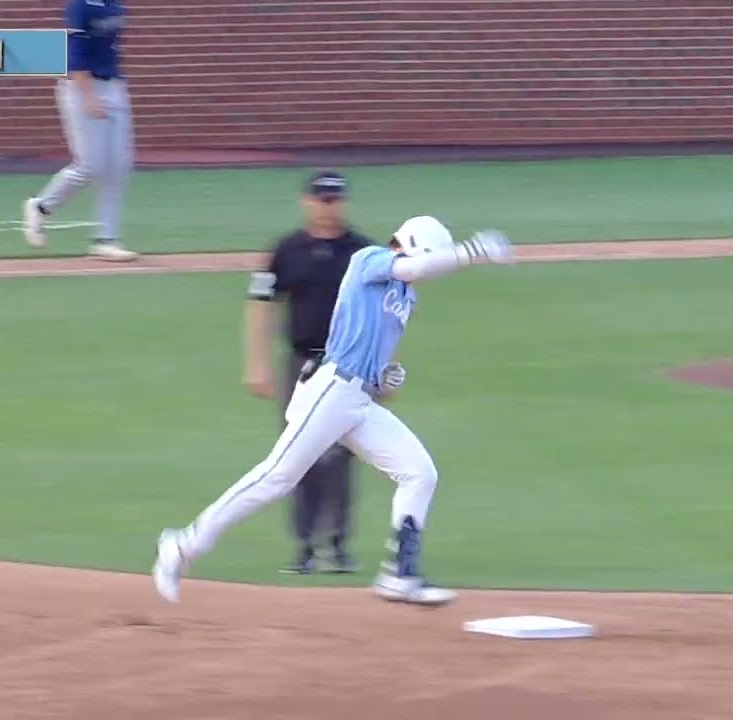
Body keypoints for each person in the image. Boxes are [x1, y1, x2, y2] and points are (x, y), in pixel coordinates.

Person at [153, 216, 512, 607]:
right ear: (410, 246)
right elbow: (416, 266)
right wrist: (471, 252)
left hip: (359, 401)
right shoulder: (369, 259)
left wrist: (385, 377)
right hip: (330, 391)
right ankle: (182, 544)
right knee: (277, 478)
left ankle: (399, 574)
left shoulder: (407, 295)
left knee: (419, 472)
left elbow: (374, 349)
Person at [244, 170, 372, 575]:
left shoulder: (363, 253)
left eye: (334, 200)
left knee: (343, 455)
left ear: (344, 203)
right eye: (321, 199)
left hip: (350, 366)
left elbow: (385, 313)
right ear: (307, 201)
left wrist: (381, 367)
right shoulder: (284, 251)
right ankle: (304, 548)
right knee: (297, 456)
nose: (327, 206)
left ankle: (338, 545)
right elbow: (261, 304)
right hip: (300, 366)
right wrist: (257, 363)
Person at [22, 0, 137, 262]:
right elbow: (76, 54)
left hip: (114, 85)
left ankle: (106, 239)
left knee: (119, 165)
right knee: (91, 165)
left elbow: (111, 47)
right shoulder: (80, 5)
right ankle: (40, 206)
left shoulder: (116, 4)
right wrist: (88, 96)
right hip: (80, 87)